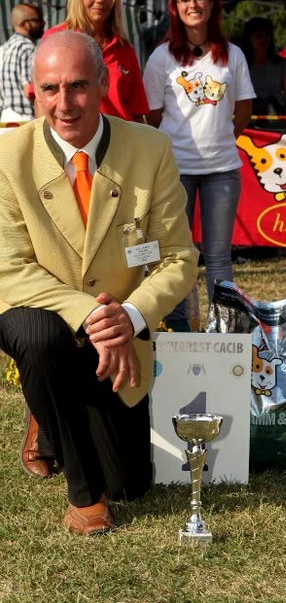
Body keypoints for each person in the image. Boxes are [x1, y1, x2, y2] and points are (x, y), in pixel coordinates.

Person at [0, 31, 199, 534]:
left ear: (104, 83)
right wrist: (90, 314)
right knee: (39, 338)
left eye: (77, 86)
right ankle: (85, 497)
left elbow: (178, 258)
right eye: (50, 89)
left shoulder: (150, 149)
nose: (64, 104)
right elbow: (9, 266)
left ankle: (51, 412)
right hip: (38, 312)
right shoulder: (7, 157)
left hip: (119, 330)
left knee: (131, 483)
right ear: (33, 91)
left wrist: (129, 318)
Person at [143, 0, 255, 331]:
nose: (192, 5)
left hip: (222, 169)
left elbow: (244, 111)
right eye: (184, 0)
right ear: (174, 9)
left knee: (219, 256)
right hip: (174, 170)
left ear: (211, 3)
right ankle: (179, 329)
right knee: (177, 255)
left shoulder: (232, 55)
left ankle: (224, 330)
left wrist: (219, 137)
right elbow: (152, 114)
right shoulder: (162, 57)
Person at [40, 0, 149, 122]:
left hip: (119, 141)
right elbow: (40, 100)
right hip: (72, 141)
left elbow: (137, 111)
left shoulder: (123, 48)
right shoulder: (55, 39)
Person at [241, 16, 286, 116]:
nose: (263, 39)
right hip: (250, 120)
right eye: (258, 36)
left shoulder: (283, 64)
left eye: (267, 36)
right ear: (249, 38)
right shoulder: (240, 65)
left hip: (278, 118)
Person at [0, 3, 45, 123]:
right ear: (23, 24)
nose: (43, 23)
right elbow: (30, 89)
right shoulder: (27, 48)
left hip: (6, 117)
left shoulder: (4, 48)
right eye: (37, 19)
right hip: (24, 118)